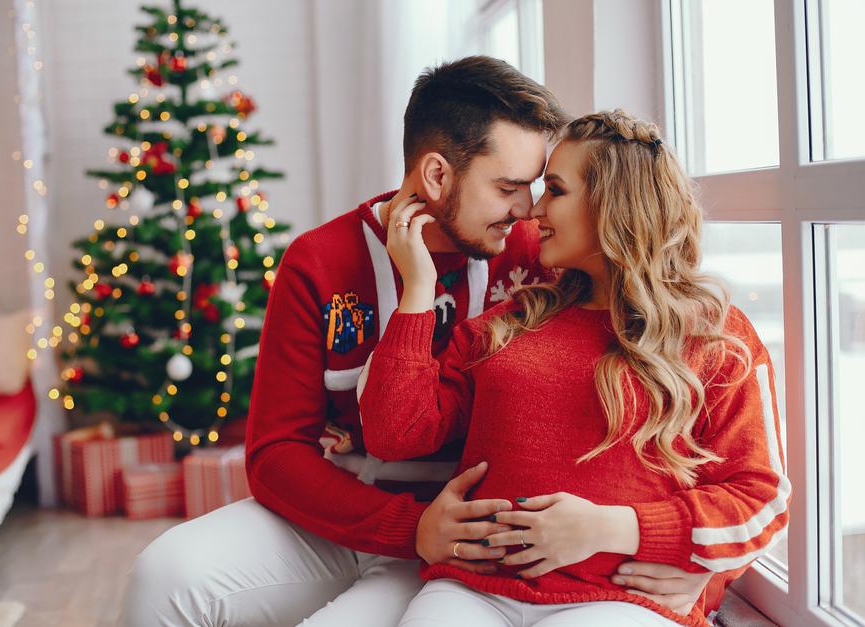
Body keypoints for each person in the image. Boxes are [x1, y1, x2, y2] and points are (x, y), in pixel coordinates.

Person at [119, 60, 712, 627]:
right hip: (349, 520)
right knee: (164, 574)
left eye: (535, 188)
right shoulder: (320, 261)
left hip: (474, 544)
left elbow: (666, 344)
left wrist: (708, 568)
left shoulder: (543, 252)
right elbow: (274, 453)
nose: (527, 209)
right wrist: (409, 526)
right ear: (436, 176)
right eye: (508, 186)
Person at [358, 109, 789, 627]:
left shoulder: (715, 336)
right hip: (473, 589)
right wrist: (417, 292)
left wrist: (613, 528)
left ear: (615, 203)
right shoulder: (511, 320)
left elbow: (760, 501)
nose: (533, 210)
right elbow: (393, 432)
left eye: (555, 191)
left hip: (618, 603)